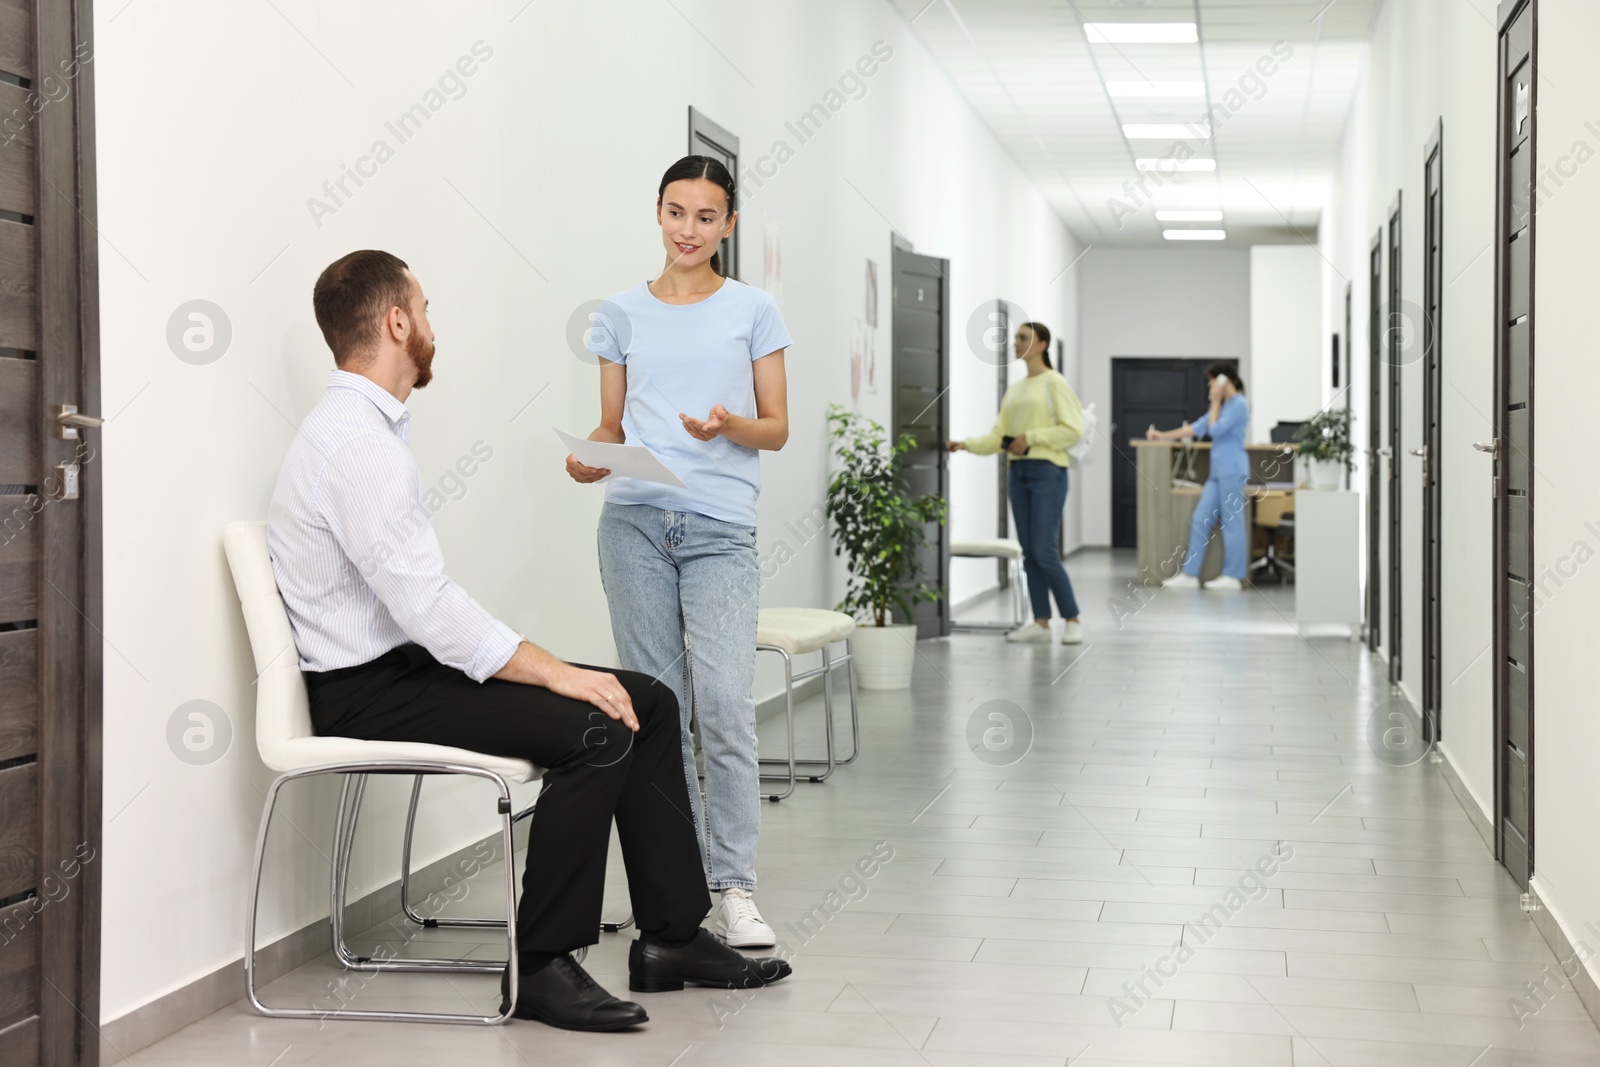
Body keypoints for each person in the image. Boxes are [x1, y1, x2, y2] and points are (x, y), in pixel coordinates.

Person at [267, 250, 791, 1034]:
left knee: (648, 695)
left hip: (402, 667)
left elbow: (424, 610)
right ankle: (541, 963)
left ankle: (673, 937)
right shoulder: (358, 447)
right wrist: (555, 672)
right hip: (367, 686)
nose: (434, 328)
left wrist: (556, 670)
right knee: (597, 725)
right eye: (426, 309)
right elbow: (429, 605)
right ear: (397, 322)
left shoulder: (363, 429)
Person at [566, 156, 790, 949]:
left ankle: (734, 886)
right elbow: (611, 423)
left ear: (728, 225)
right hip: (633, 525)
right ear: (656, 213)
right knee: (658, 715)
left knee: (725, 703)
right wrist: (591, 453)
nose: (687, 230)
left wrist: (728, 423)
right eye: (675, 212)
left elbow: (776, 426)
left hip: (720, 530)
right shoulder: (620, 313)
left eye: (705, 217)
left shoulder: (754, 309)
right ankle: (676, 888)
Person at [947, 321, 1087, 645]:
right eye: (1015, 338)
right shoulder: (1015, 389)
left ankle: (1072, 618)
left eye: (1024, 337)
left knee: (1043, 548)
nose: (1016, 343)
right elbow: (998, 437)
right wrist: (966, 444)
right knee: (1028, 550)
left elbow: (1074, 429)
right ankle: (1040, 623)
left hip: (1047, 472)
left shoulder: (1055, 383)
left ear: (1042, 345)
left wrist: (1031, 437)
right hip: (1018, 473)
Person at [1145, 361, 1250, 591]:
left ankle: (1233, 576)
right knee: (1200, 518)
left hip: (1232, 469)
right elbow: (1196, 428)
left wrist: (1214, 401)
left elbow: (1215, 430)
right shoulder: (1222, 407)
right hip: (1217, 472)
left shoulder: (1239, 404)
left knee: (1232, 523)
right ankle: (1190, 574)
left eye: (1212, 380)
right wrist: (1163, 436)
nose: (1210, 385)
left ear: (1223, 379)